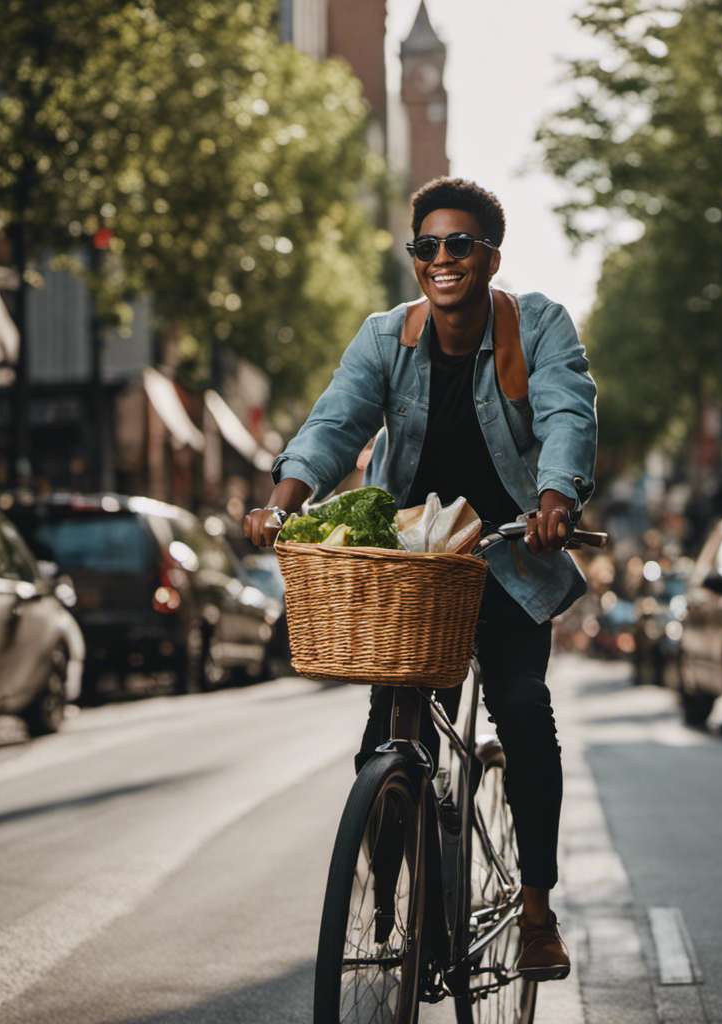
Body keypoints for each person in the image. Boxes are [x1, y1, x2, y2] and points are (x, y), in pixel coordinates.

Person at [244, 177, 598, 980]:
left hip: (510, 560)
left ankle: (537, 915)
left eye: (459, 245)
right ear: (416, 260)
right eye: (427, 246)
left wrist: (554, 500)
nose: (442, 259)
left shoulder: (534, 325)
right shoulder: (385, 338)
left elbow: (567, 412)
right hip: (418, 568)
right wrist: (282, 500)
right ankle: (391, 903)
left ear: (489, 256)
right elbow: (336, 421)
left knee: (522, 707)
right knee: (387, 737)